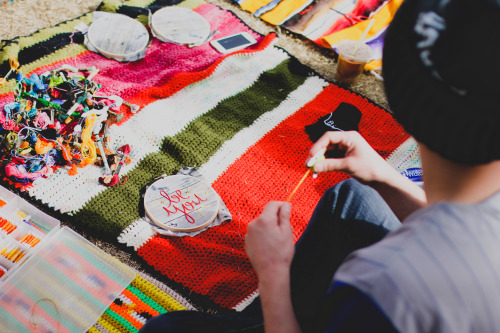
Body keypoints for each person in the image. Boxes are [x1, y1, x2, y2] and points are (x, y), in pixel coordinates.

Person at [140, 0, 500, 331]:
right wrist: (383, 176)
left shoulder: (388, 283)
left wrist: (273, 273)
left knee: (164, 330)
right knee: (354, 197)